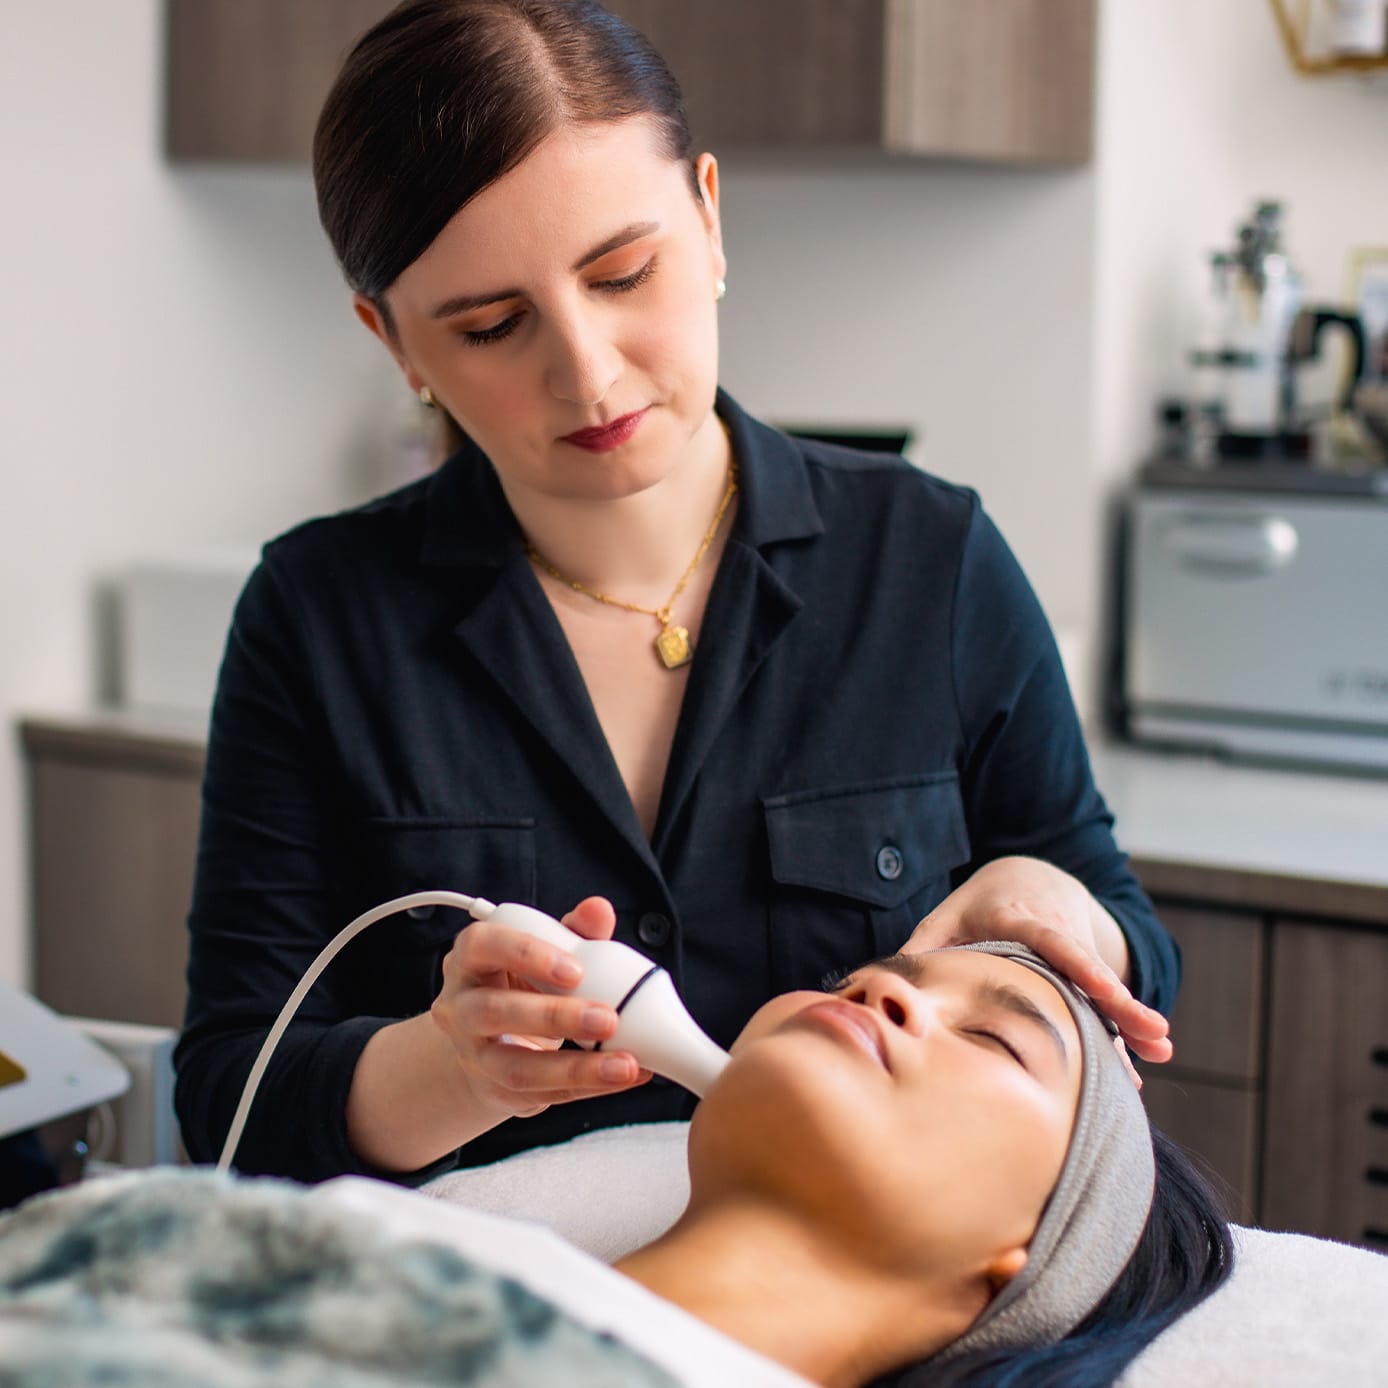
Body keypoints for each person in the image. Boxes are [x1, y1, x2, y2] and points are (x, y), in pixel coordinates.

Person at [174, 0, 1177, 1184]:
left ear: (707, 216)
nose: (586, 373)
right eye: (493, 326)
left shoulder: (927, 554)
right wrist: (446, 1071)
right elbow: (230, 1087)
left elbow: (1131, 953)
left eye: (622, 273)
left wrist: (1051, 902)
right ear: (393, 342)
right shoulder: (317, 613)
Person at [9, 946, 1231, 1388]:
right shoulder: (390, 1245)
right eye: (890, 970)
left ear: (1020, 1258)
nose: (890, 985)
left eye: (992, 1033)